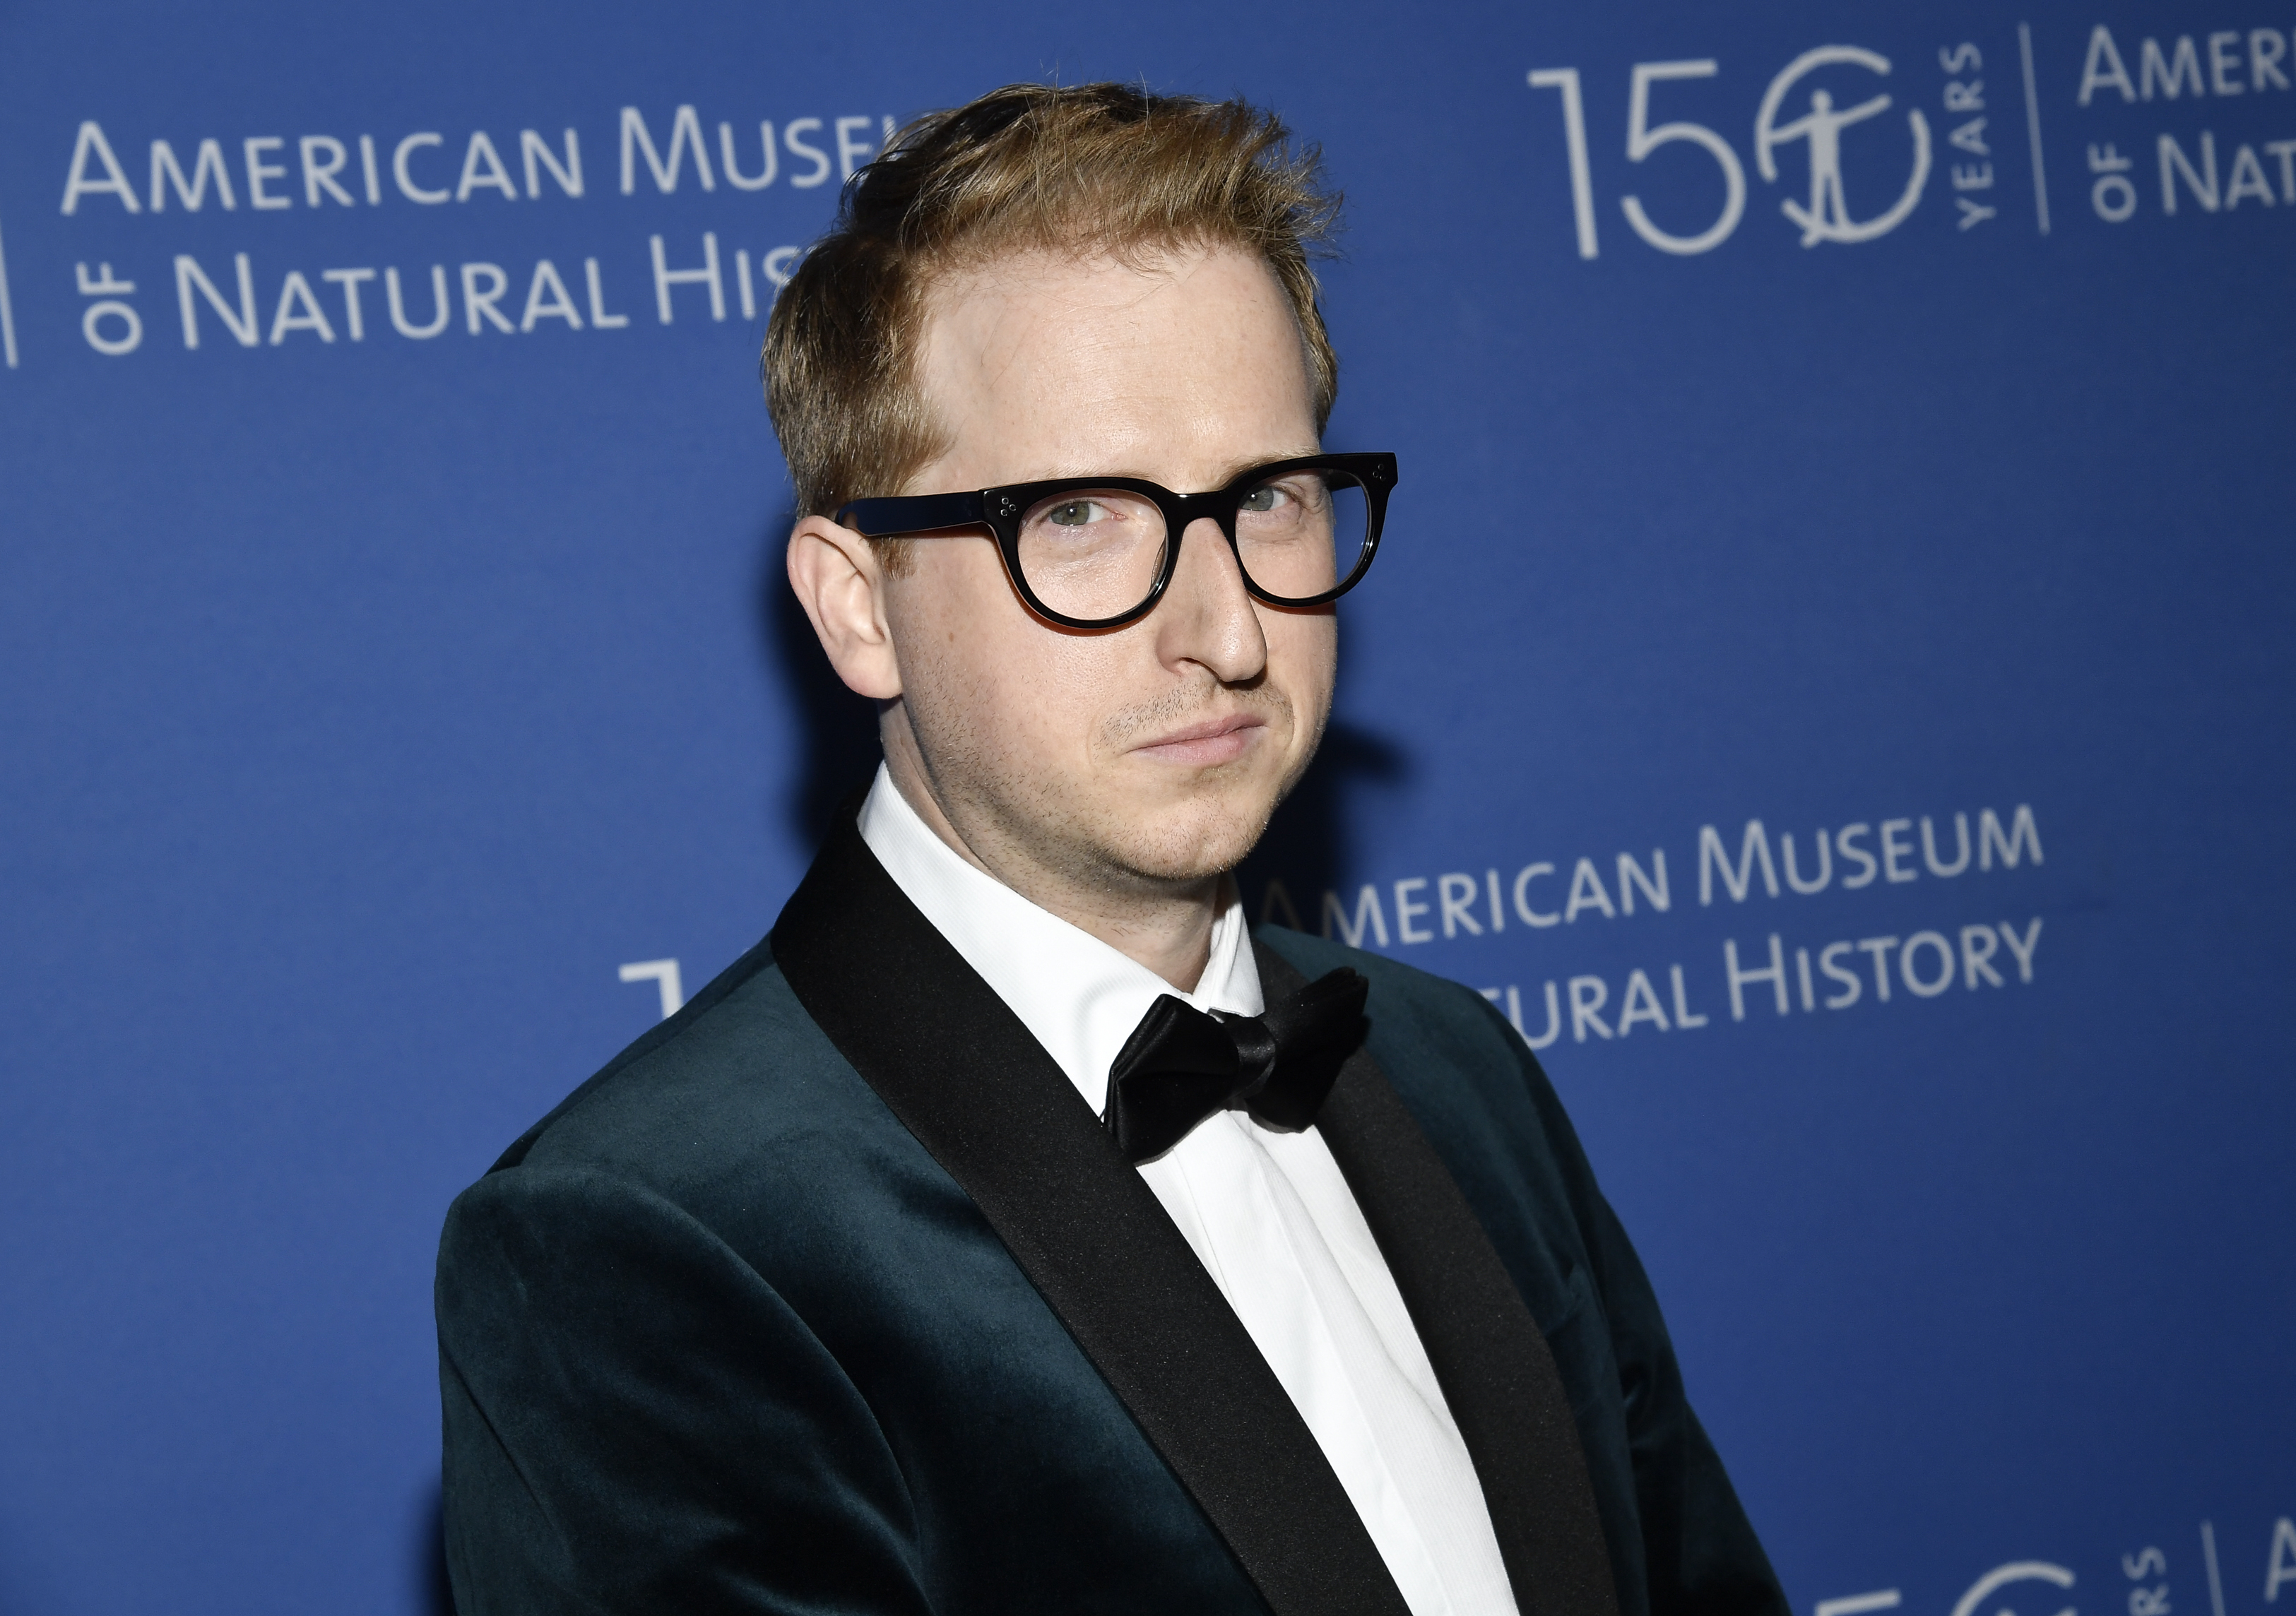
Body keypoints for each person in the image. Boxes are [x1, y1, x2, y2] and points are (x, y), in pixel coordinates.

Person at [435, 82, 1788, 1616]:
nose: (1223, 632)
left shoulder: (1449, 1064)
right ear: (857, 603)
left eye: (1266, 498)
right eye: (1076, 514)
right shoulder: (653, 1241)